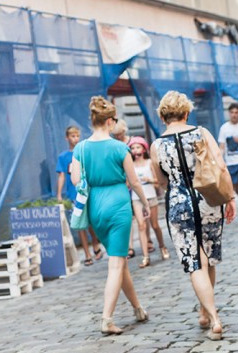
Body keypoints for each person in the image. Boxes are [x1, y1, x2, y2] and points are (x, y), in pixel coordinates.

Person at [150, 91, 236, 341]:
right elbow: (221, 166)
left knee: (194, 262)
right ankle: (205, 311)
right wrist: (229, 197)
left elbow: (160, 181)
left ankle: (214, 318)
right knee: (207, 257)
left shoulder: (157, 145)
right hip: (208, 199)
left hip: (178, 204)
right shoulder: (201, 132)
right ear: (186, 112)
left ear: (163, 116)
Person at [71, 97, 151, 335]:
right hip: (118, 204)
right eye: (114, 120)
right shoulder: (120, 148)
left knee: (119, 260)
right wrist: (145, 202)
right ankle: (107, 318)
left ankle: (137, 308)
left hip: (95, 206)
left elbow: (76, 180)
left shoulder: (81, 148)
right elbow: (134, 181)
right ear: (108, 121)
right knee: (116, 263)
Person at [55, 125, 103, 266]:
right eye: (72, 136)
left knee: (89, 222)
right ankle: (87, 253)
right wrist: (59, 194)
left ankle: (95, 243)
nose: (75, 139)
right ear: (67, 138)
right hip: (73, 193)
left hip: (86, 190)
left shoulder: (84, 152)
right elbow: (62, 175)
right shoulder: (63, 157)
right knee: (79, 223)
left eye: (77, 136)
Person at [112, 119, 154, 258]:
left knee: (143, 214)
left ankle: (147, 239)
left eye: (120, 133)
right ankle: (130, 247)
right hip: (124, 182)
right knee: (127, 216)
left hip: (136, 181)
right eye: (116, 134)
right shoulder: (113, 145)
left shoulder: (132, 143)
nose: (118, 136)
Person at [128, 136, 170, 268]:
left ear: (144, 148)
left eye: (137, 147)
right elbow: (128, 183)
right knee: (141, 225)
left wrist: (149, 180)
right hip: (137, 199)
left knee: (155, 225)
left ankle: (162, 246)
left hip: (151, 197)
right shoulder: (130, 165)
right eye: (132, 148)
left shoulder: (150, 163)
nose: (135, 150)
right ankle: (146, 256)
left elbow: (159, 182)